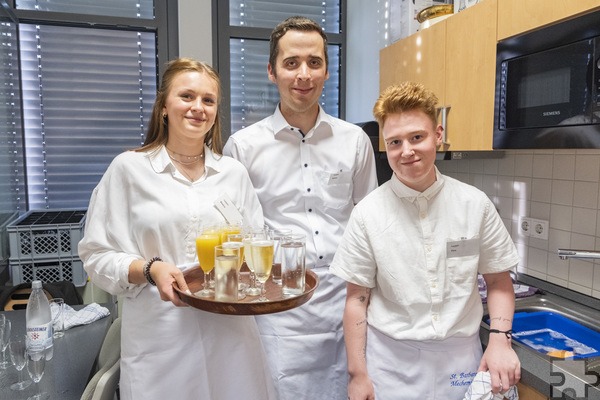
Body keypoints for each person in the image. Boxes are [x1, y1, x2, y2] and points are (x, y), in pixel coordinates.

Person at [78, 58, 276, 400]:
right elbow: (96, 256)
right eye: (187, 96)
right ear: (164, 106)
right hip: (161, 337)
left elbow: (255, 245)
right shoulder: (129, 169)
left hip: (230, 336)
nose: (198, 107)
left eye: (208, 100)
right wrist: (150, 269)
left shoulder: (233, 173)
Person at [329, 82, 521, 400]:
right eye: (395, 142)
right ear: (385, 146)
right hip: (391, 368)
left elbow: (499, 280)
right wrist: (358, 374)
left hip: (463, 364)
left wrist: (500, 340)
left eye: (417, 137)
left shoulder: (475, 205)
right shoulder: (367, 214)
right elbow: (356, 300)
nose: (407, 151)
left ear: (438, 135)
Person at [223, 16, 378, 400]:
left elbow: (370, 221)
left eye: (314, 62)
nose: (303, 74)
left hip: (346, 300)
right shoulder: (243, 147)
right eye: (291, 63)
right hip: (276, 307)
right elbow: (234, 233)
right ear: (272, 72)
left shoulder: (355, 141)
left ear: (327, 70)